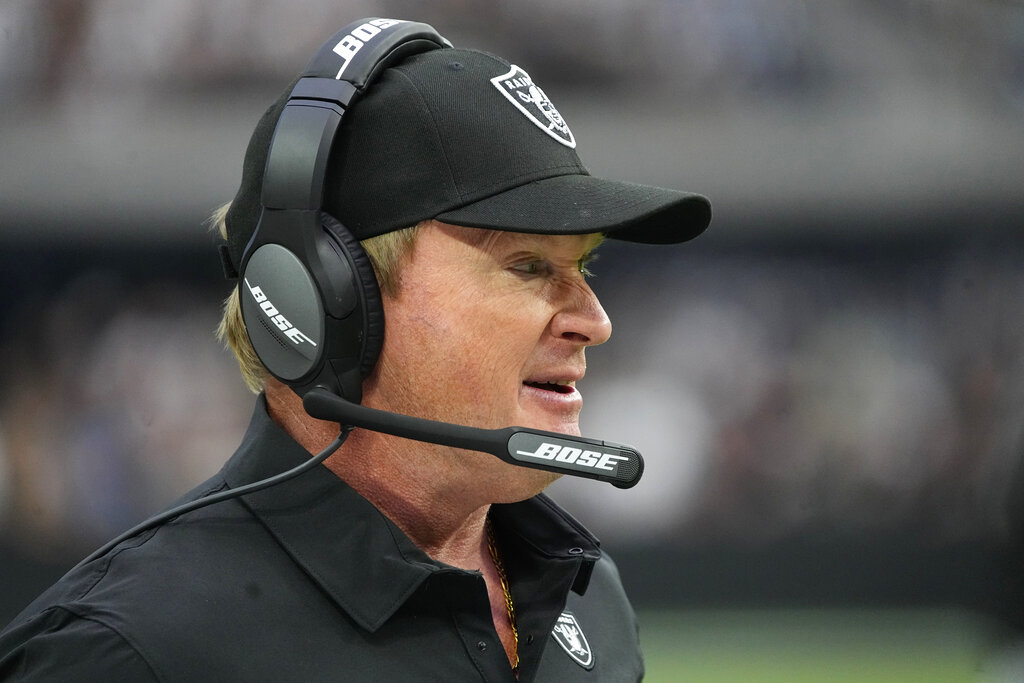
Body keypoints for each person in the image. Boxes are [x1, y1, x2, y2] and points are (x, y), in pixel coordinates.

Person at [0, 18, 710, 682]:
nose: (594, 319)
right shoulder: (127, 650)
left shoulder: (586, 598)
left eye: (582, 267)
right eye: (528, 266)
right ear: (327, 303)